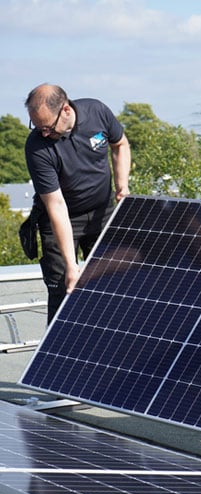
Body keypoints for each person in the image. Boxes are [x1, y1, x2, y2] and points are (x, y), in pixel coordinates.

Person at [24, 83, 131, 324]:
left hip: (101, 213)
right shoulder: (37, 147)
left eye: (47, 127)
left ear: (66, 110)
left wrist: (122, 184)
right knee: (64, 288)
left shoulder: (97, 111)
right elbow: (56, 206)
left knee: (112, 284)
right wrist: (72, 266)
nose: (42, 133)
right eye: (36, 126)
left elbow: (120, 144)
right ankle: (56, 357)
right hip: (60, 221)